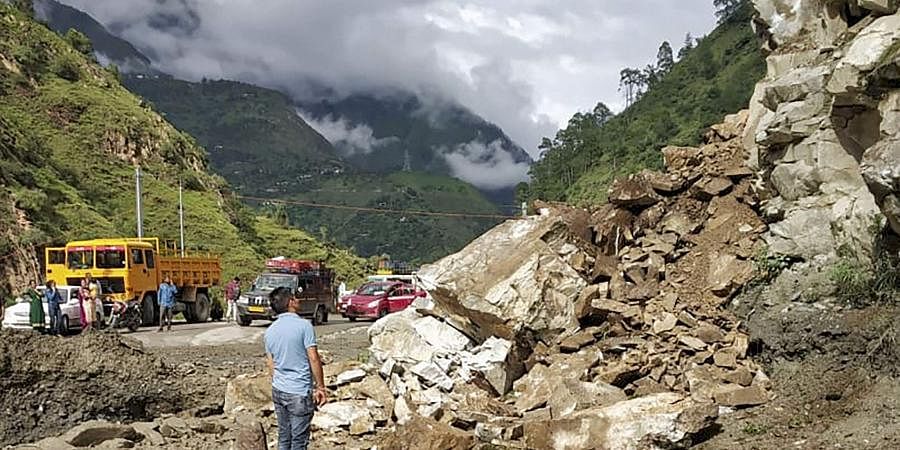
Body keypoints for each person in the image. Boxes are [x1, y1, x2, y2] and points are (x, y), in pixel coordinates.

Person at [265, 287, 327, 450]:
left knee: (284, 437)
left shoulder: (270, 331)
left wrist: (278, 381)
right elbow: (313, 358)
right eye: (295, 298)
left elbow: (271, 364)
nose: (298, 300)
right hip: (298, 391)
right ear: (290, 302)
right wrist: (321, 387)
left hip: (279, 389)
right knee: (299, 441)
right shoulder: (304, 326)